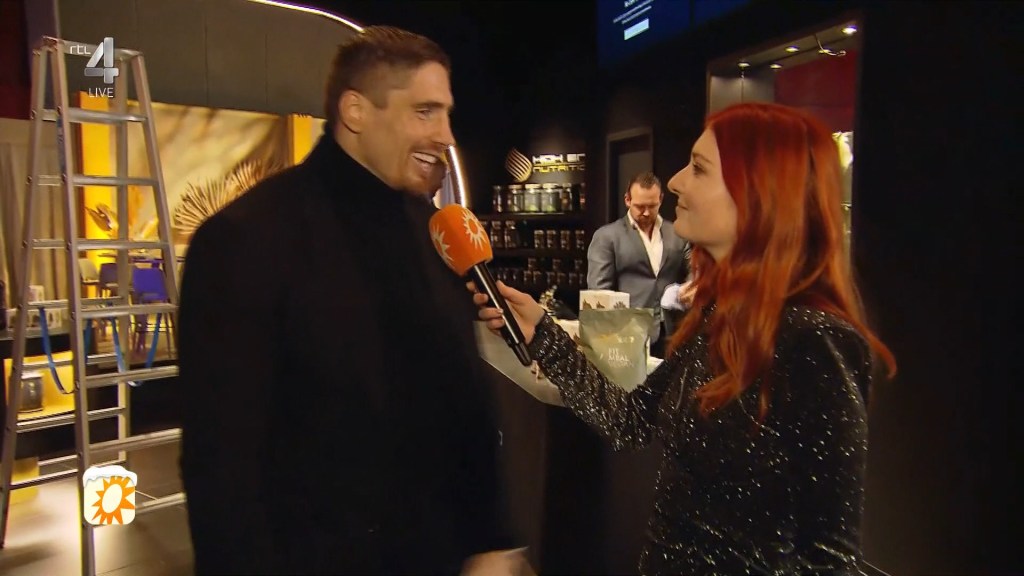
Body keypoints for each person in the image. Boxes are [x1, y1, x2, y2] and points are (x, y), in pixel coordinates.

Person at [471, 102, 896, 575]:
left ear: (757, 191)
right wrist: (542, 335)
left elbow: (829, 558)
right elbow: (631, 419)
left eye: (698, 167)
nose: (674, 182)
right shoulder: (718, 317)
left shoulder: (815, 342)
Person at [177, 26, 526, 575]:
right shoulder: (244, 239)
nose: (445, 135)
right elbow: (221, 469)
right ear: (356, 111)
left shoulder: (431, 230)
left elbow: (466, 402)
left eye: (446, 114)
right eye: (425, 112)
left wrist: (493, 539)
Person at [586, 171, 690, 357]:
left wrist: (691, 286)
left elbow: (694, 269)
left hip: (673, 331)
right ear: (627, 200)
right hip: (628, 335)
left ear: (661, 199)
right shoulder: (607, 237)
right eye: (640, 207)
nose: (647, 212)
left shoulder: (677, 233)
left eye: (652, 206)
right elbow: (599, 291)